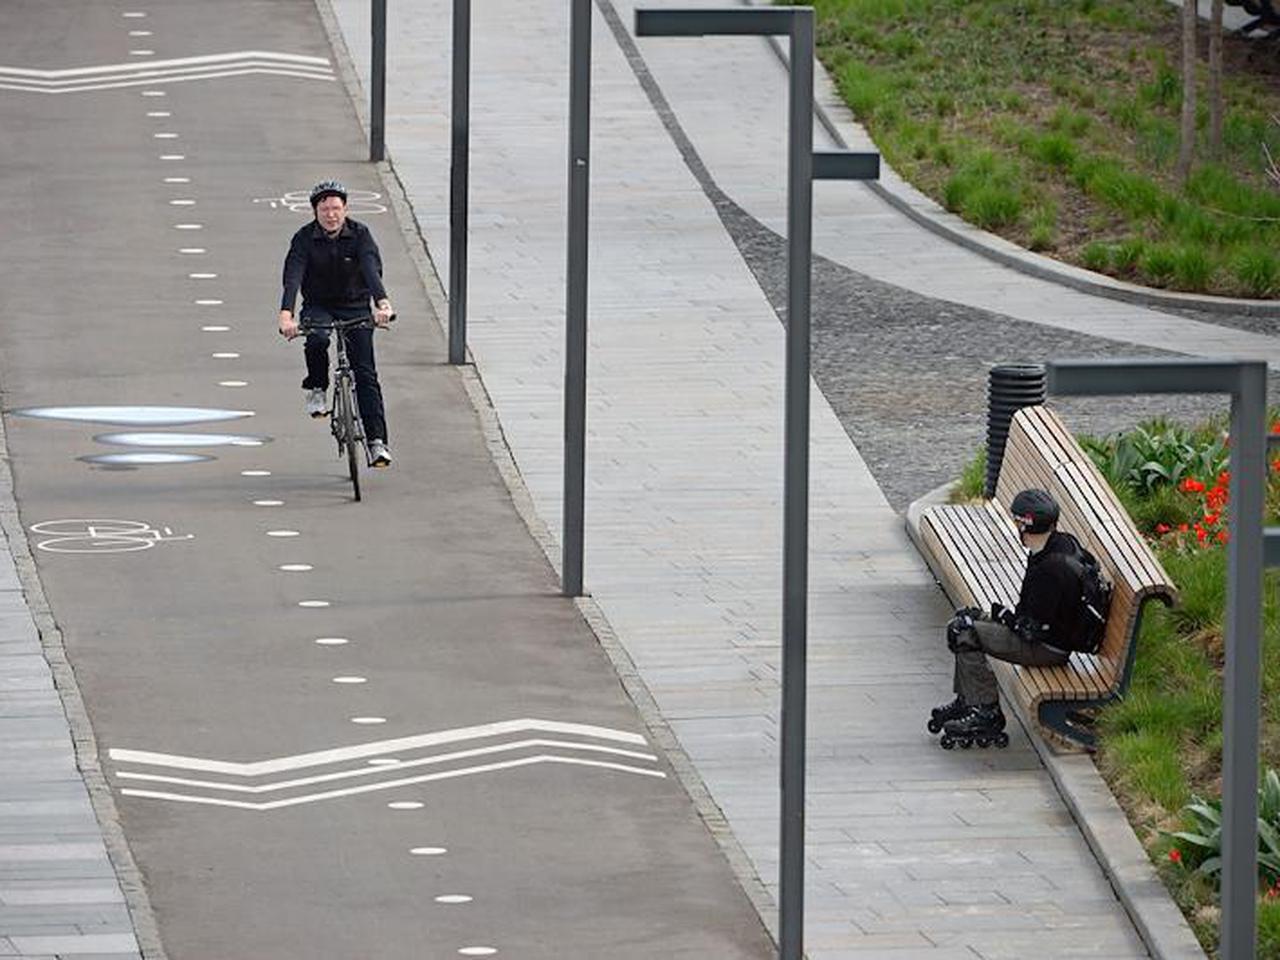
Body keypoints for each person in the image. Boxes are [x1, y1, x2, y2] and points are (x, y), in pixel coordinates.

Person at [929, 488, 1085, 746]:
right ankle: (969, 698)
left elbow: (1030, 630)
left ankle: (985, 712)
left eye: (1017, 521)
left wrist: (1004, 616)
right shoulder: (1058, 544)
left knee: (964, 630)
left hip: (1046, 649)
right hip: (1050, 637)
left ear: (1025, 525)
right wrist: (1003, 617)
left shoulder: (1050, 570)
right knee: (965, 617)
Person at [278, 180, 396, 467]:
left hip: (355, 305)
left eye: (336, 208)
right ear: (315, 211)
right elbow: (293, 275)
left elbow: (371, 269)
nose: (331, 215)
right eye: (325, 209)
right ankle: (317, 387)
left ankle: (376, 442)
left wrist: (382, 303)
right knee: (317, 337)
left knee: (366, 375)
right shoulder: (304, 238)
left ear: (345, 209)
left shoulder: (360, 235)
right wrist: (286, 314)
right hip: (319, 305)